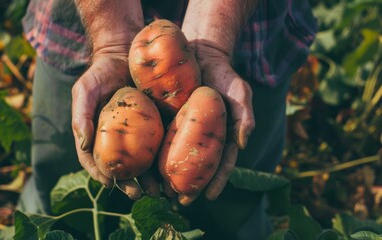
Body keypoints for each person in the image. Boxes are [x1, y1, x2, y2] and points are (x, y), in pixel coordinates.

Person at [18, 0, 317, 239]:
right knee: (58, 191)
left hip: (247, 27)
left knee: (234, 206)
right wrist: (111, 40)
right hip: (83, 21)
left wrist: (213, 44)